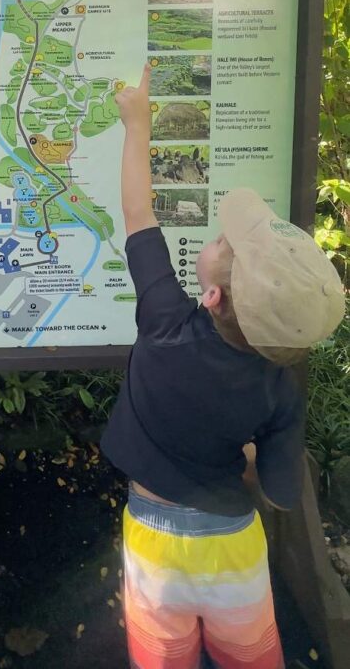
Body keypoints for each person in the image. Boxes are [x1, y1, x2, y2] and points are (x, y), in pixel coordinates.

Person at [101, 64, 345, 669]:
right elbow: (283, 491)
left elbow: (138, 213)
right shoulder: (280, 390)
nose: (217, 238)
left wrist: (136, 124)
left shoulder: (163, 320)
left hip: (152, 544)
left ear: (211, 296)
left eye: (221, 245)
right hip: (234, 551)